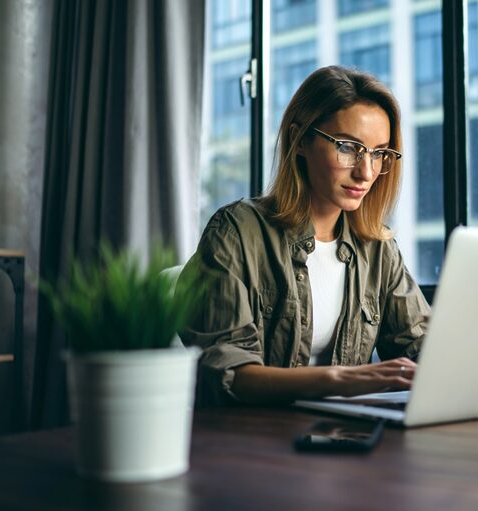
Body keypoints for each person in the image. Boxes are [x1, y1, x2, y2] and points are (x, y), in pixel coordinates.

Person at [179, 65, 430, 405]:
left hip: (340, 435)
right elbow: (227, 371)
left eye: (378, 153)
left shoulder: (378, 249)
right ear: (300, 140)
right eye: (348, 147)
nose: (366, 172)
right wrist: (336, 379)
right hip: (253, 439)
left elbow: (420, 347)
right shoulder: (237, 232)